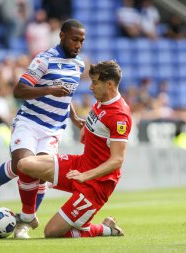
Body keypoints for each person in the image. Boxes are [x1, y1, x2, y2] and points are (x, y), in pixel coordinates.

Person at [0, 19, 86, 237]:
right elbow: (19, 90)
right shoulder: (44, 59)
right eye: (74, 39)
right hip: (30, 122)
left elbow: (67, 97)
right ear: (62, 36)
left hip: (54, 128)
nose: (78, 45)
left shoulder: (79, 65)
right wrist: (49, 89)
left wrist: (75, 118)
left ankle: (26, 220)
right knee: (23, 164)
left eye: (81, 41)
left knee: (39, 174)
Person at [17, 60, 132, 238]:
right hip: (80, 164)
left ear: (109, 84)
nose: (91, 87)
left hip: (96, 185)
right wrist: (85, 127)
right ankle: (28, 216)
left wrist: (86, 176)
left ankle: (105, 229)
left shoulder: (120, 116)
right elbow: (99, 123)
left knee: (51, 232)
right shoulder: (102, 100)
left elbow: (117, 160)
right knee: (24, 164)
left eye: (95, 83)